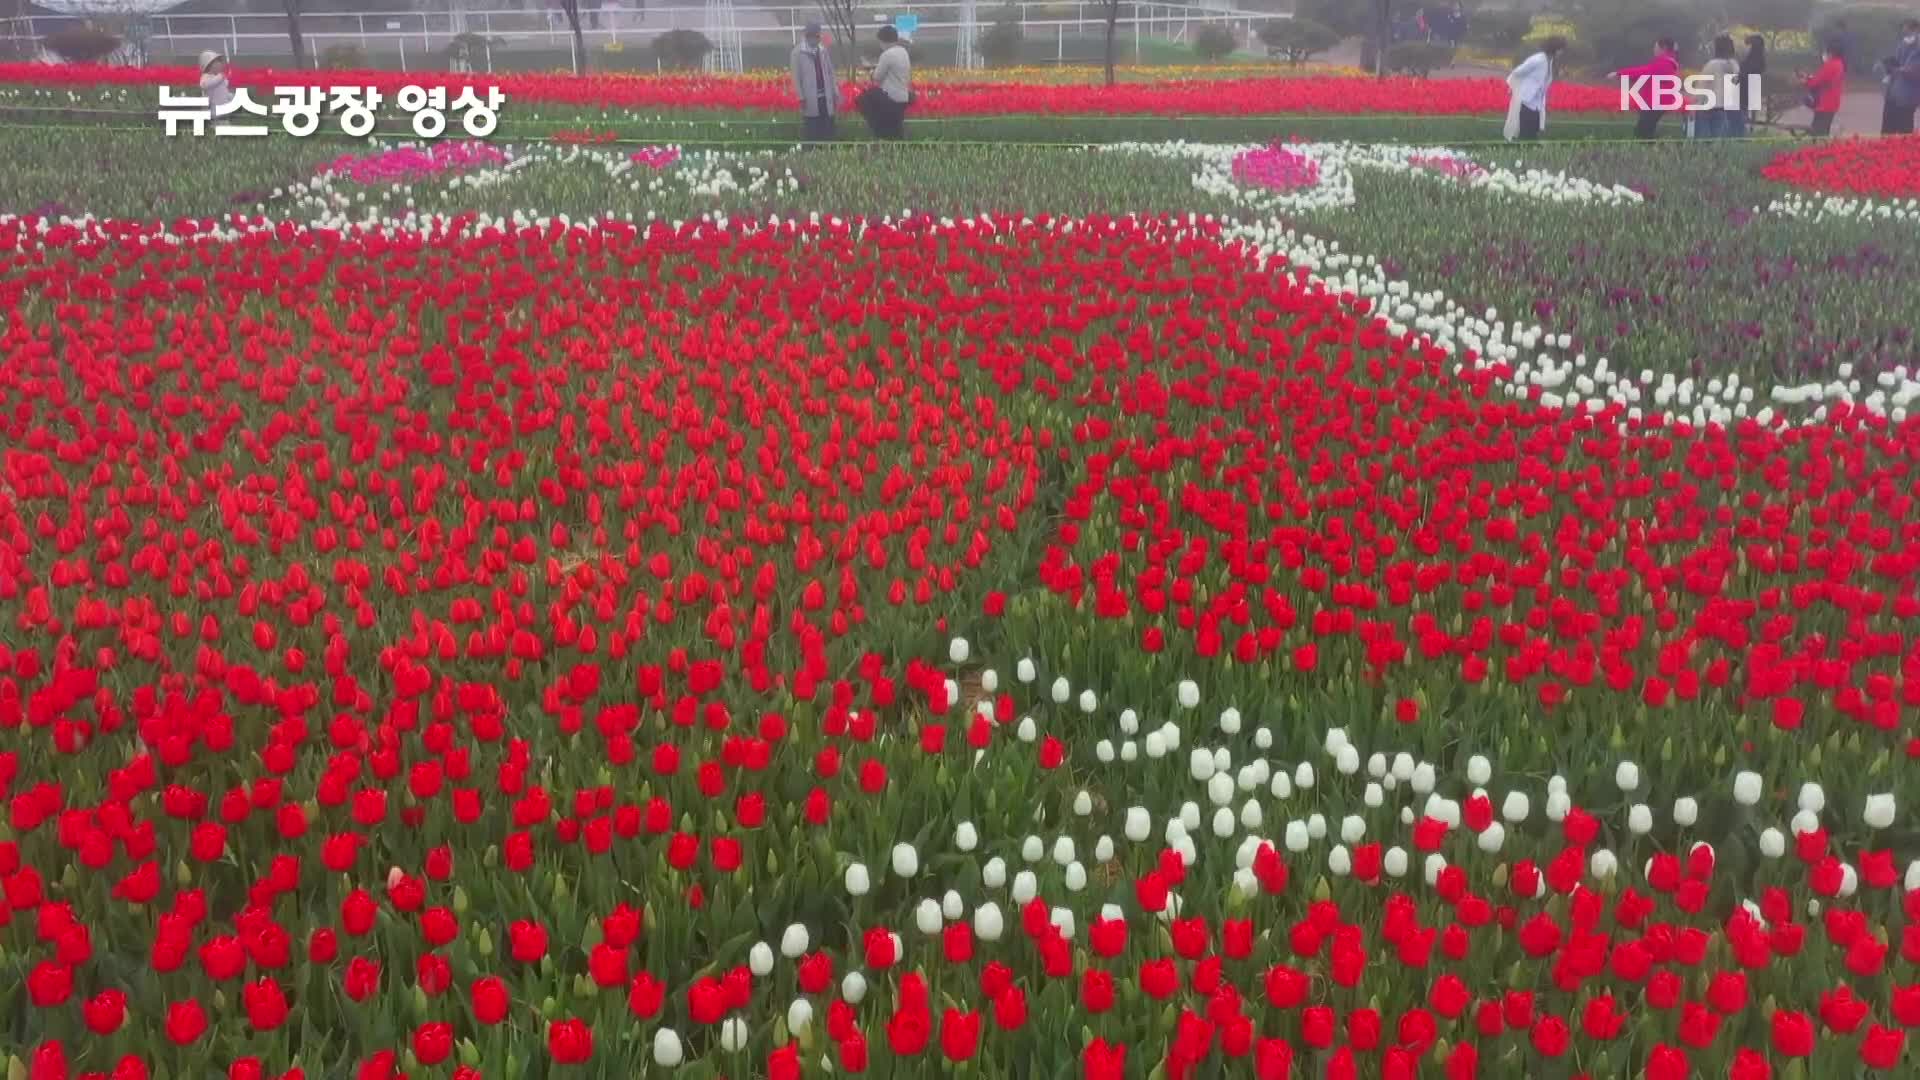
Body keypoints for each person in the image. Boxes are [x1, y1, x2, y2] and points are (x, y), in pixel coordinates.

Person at [1613, 37, 1681, 139]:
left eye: (1656, 47)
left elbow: (1643, 72)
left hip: (1654, 104)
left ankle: (1657, 151)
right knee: (1645, 131)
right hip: (1655, 104)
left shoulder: (1664, 64)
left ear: (1664, 48)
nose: (1654, 50)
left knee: (1642, 133)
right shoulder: (1667, 63)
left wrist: (1620, 73)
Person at [1505, 36, 1565, 142]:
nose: (1562, 52)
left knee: (1533, 134)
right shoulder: (1538, 59)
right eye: (1561, 49)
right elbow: (1518, 71)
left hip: (1536, 103)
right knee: (1526, 134)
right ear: (1555, 48)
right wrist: (1518, 86)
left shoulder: (1549, 61)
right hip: (1527, 101)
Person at [862, 25, 911, 140]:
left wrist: (869, 70)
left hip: (890, 99)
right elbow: (892, 67)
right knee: (897, 130)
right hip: (903, 97)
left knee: (864, 99)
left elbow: (877, 78)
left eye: (880, 42)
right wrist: (875, 67)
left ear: (884, 41)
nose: (880, 45)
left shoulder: (887, 54)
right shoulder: (903, 52)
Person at [791, 22, 838, 142]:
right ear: (807, 36)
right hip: (810, 98)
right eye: (814, 36)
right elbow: (796, 77)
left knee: (827, 129)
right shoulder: (797, 53)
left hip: (825, 97)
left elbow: (830, 72)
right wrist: (801, 97)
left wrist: (835, 91)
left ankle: (827, 153)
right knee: (812, 129)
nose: (817, 39)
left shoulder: (823, 51)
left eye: (818, 36)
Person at [1696, 35, 1740, 139]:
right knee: (1718, 142)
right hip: (1722, 108)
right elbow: (1735, 85)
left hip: (1705, 108)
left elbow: (1701, 88)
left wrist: (1695, 105)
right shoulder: (1734, 65)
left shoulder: (1712, 65)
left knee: (1703, 142)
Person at [1881, 20, 1920, 135]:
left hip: (1908, 96)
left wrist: (1901, 70)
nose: (1905, 32)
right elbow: (1897, 62)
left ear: (1916, 30)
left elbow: (1914, 70)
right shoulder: (1902, 44)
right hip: (1893, 93)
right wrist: (1889, 67)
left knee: (1904, 128)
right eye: (1904, 30)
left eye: (1908, 30)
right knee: (1888, 127)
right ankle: (1886, 149)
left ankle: (1903, 150)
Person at [1800, 41, 1846, 136]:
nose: (1824, 55)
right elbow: (1823, 79)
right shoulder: (1839, 64)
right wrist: (1809, 77)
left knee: (1817, 133)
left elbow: (1815, 82)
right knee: (1823, 131)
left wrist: (1805, 81)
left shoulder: (1831, 65)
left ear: (1831, 53)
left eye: (1826, 52)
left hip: (1824, 103)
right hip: (1832, 102)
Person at [1729, 33, 1765, 138]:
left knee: (1741, 109)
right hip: (1753, 88)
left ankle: (1740, 131)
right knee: (1745, 108)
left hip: (1744, 89)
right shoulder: (1759, 59)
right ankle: (1746, 129)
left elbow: (1742, 74)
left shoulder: (1750, 60)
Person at [198, 50, 233, 116]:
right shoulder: (206, 77)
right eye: (217, 63)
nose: (220, 65)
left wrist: (229, 96)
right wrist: (220, 77)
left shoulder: (218, 77)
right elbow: (204, 85)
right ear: (209, 65)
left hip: (223, 107)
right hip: (214, 110)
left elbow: (224, 89)